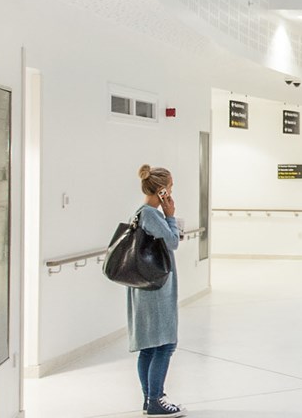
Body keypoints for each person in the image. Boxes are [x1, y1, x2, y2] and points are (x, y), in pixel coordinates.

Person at [128, 164, 186, 417]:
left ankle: (149, 399)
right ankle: (155, 400)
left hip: (145, 287)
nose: (172, 191)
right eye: (170, 187)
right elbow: (172, 242)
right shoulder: (151, 214)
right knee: (164, 344)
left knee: (149, 346)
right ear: (162, 190)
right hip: (156, 288)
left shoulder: (141, 213)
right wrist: (171, 215)